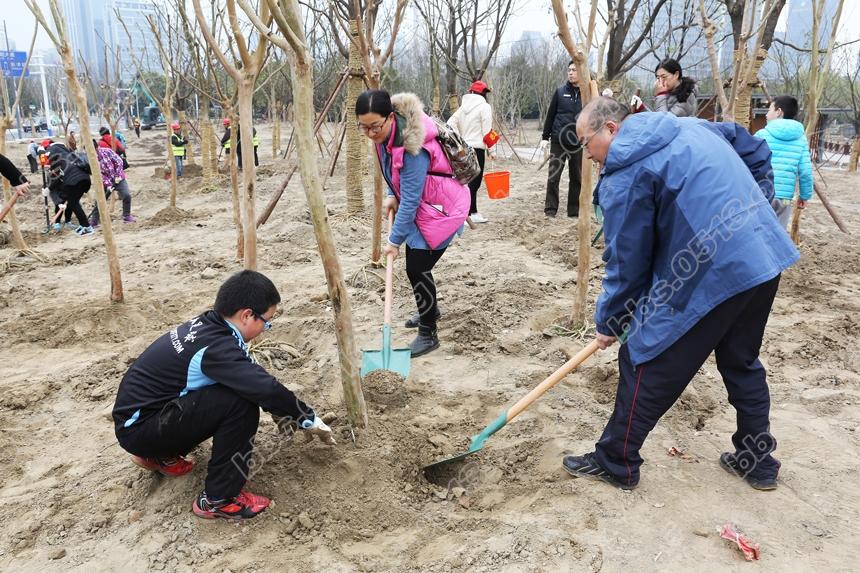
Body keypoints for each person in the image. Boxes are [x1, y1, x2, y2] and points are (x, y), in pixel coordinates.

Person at [562, 97, 799, 491]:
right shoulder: (689, 125)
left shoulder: (625, 174)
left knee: (642, 357)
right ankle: (757, 460)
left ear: (612, 129)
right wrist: (756, 205)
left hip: (714, 269)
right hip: (763, 254)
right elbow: (754, 148)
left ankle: (616, 461)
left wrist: (612, 321)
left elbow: (627, 262)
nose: (587, 155)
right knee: (741, 360)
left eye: (586, 143)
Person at [112, 270, 335, 520]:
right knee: (240, 403)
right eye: (267, 321)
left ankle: (160, 455)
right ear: (247, 315)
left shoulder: (209, 324)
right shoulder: (217, 347)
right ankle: (219, 499)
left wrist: (281, 409)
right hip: (141, 430)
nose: (265, 328)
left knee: (233, 390)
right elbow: (263, 387)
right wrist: (307, 417)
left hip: (137, 420)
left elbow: (249, 372)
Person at [356, 89, 469, 356]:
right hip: (426, 204)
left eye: (375, 126)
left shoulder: (412, 148)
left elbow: (411, 201)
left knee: (417, 268)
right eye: (364, 128)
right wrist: (391, 195)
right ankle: (430, 310)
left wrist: (394, 240)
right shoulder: (386, 135)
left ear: (390, 117)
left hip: (443, 208)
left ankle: (429, 332)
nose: (371, 133)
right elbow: (393, 174)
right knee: (418, 267)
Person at [756, 96, 813, 230]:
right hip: (785, 198)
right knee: (778, 233)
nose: (766, 113)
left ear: (779, 112)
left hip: (762, 194)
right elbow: (805, 171)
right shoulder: (801, 139)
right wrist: (804, 196)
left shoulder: (761, 134)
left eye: (769, 109)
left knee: (758, 231)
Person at [539, 61, 583, 218]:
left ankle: (573, 210)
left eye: (574, 70)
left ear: (581, 72)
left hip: (578, 142)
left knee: (577, 178)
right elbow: (550, 115)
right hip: (559, 140)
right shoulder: (559, 92)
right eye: (569, 70)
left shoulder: (586, 93)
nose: (571, 73)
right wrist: (545, 137)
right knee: (553, 176)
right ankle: (550, 209)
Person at [447, 80, 493, 224]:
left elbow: (450, 124)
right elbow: (487, 133)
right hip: (478, 148)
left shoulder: (462, 108)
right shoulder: (485, 107)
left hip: (464, 149)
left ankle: (471, 212)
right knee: (475, 182)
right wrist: (491, 149)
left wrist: (459, 139)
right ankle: (469, 214)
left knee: (466, 182)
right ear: (483, 93)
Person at [44, 140, 94, 236]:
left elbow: (56, 178)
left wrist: (48, 188)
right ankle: (84, 225)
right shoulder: (69, 154)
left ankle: (87, 227)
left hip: (73, 182)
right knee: (73, 203)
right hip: (85, 180)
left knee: (73, 203)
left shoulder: (56, 158)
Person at [89, 140, 136, 226]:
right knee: (100, 200)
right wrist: (108, 184)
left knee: (126, 195)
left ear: (96, 148)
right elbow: (98, 174)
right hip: (105, 182)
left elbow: (119, 162)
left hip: (118, 178)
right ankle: (94, 220)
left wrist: (117, 175)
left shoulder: (107, 151)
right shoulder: (90, 159)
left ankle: (126, 215)